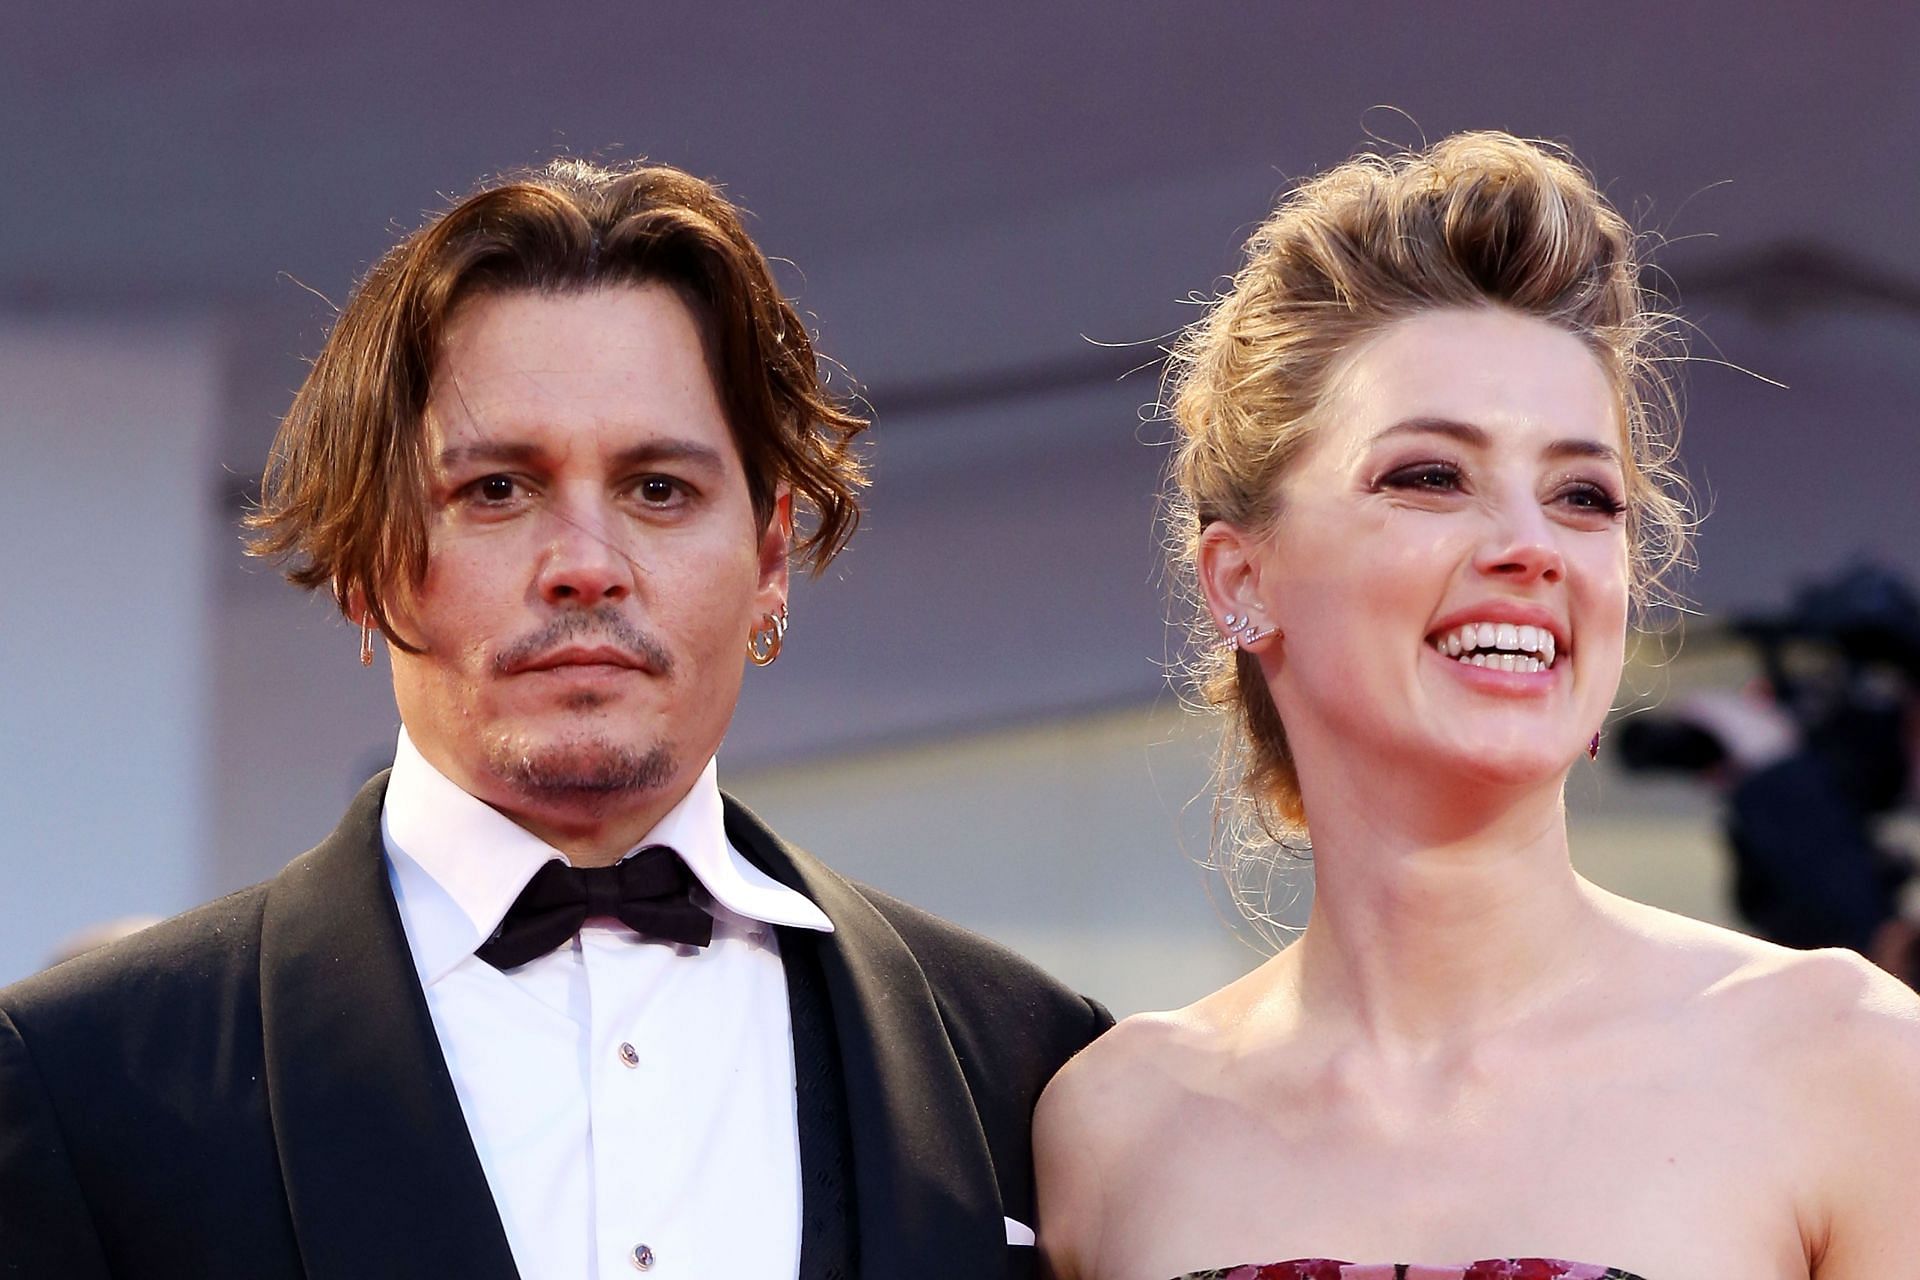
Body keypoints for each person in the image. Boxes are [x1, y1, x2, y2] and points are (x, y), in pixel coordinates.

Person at [0, 158, 1109, 1279]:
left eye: (658, 489)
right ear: (368, 562)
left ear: (770, 556)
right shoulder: (77, 1079)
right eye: (498, 490)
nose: (586, 565)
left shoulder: (1023, 1064)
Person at [1033, 132, 1920, 1280]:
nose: (1529, 548)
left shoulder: (1851, 1062)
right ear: (1242, 581)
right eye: (1430, 476)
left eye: (1583, 495)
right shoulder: (1109, 1126)